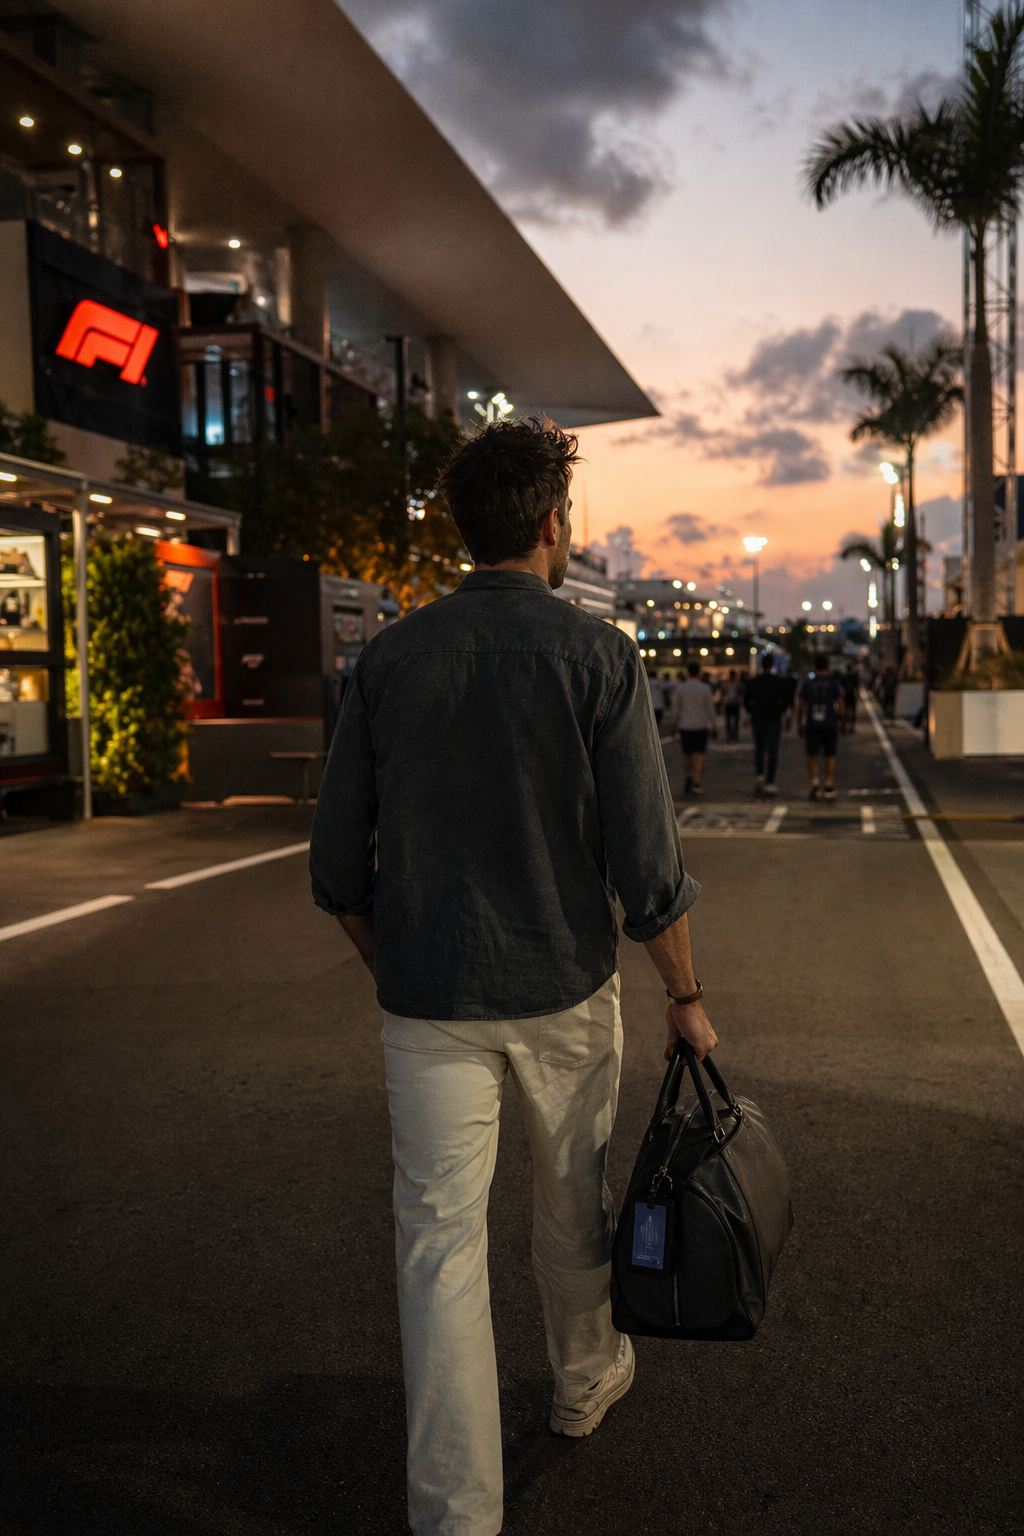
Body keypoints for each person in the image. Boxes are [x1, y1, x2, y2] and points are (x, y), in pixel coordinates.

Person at [309, 419, 716, 1536]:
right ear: (550, 526)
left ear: (464, 529)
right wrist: (683, 995)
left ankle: (456, 1511)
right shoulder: (597, 657)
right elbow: (647, 862)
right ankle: (584, 1384)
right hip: (566, 986)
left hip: (428, 1001)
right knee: (569, 1203)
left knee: (435, 1244)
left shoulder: (387, 659)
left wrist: (397, 968)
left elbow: (338, 866)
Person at [797, 652, 845, 800]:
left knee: (812, 754)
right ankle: (829, 785)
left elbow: (801, 705)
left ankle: (815, 781)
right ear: (828, 666)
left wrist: (799, 721)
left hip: (812, 723)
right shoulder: (834, 683)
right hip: (830, 723)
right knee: (830, 755)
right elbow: (841, 704)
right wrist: (842, 721)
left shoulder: (808, 684)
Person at [665, 660, 716, 794]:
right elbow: (710, 709)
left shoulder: (680, 688)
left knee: (686, 753)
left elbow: (675, 708)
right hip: (701, 725)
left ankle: (688, 774)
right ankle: (697, 781)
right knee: (700, 754)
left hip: (685, 725)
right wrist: (714, 724)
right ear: (699, 672)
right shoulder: (705, 688)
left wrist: (673, 724)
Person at [743, 654, 787, 796]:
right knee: (773, 750)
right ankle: (770, 781)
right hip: (774, 719)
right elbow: (785, 702)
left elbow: (746, 700)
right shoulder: (778, 682)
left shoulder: (754, 682)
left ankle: (759, 775)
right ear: (772, 665)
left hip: (758, 718)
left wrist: (753, 711)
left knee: (759, 748)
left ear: (762, 665)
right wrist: (778, 711)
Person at [722, 668, 742, 741]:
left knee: (729, 720)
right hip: (734, 702)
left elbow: (723, 691)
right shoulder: (738, 683)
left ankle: (730, 735)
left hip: (729, 702)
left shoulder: (726, 683)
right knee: (735, 720)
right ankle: (734, 735)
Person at [841, 662, 858, 734]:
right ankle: (852, 727)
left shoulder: (844, 676)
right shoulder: (854, 676)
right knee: (853, 712)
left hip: (846, 696)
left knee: (845, 712)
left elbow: (841, 687)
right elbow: (856, 686)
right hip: (852, 695)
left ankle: (845, 726)